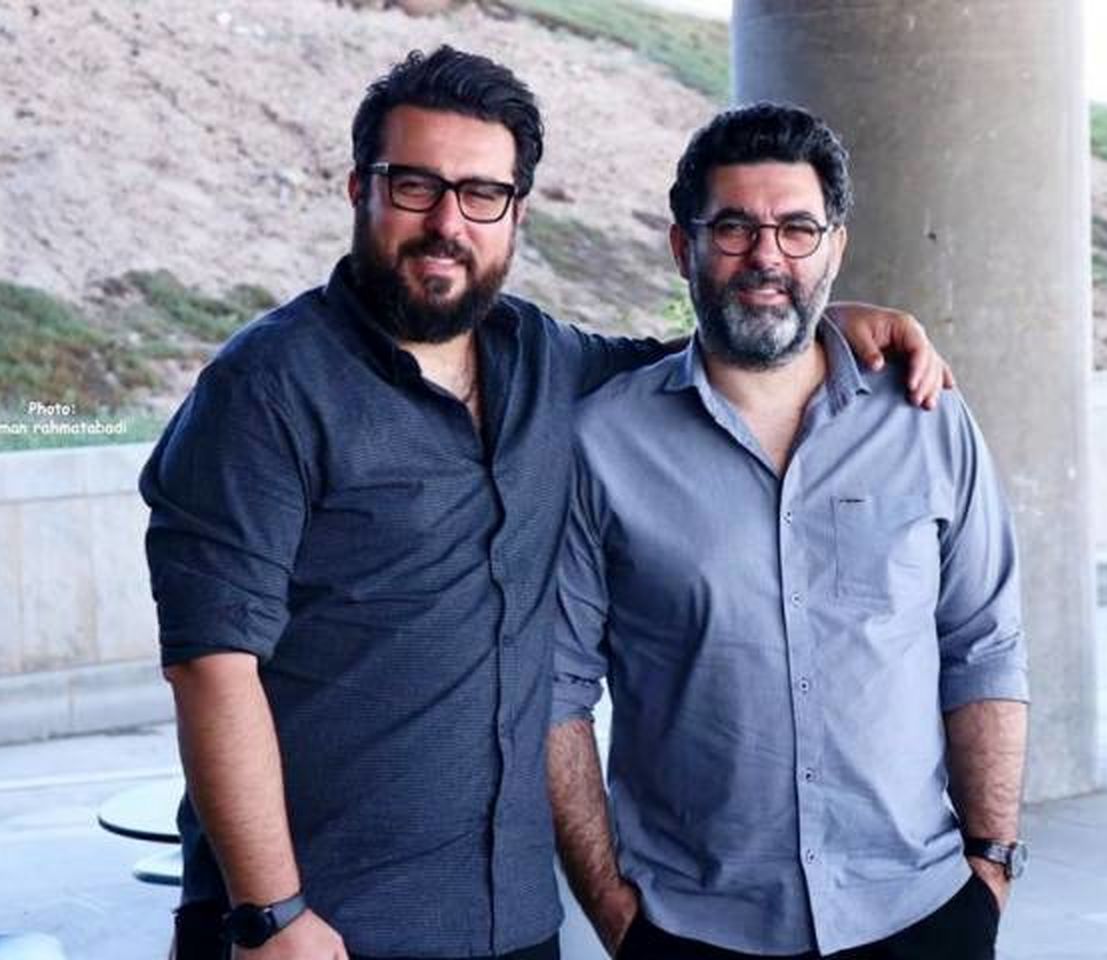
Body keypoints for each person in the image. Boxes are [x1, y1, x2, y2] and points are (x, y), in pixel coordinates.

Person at [141, 48, 949, 960]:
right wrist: (270, 912)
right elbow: (211, 666)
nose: (448, 222)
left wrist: (827, 325)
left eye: (482, 193)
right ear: (360, 189)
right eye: (415, 186)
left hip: (510, 920)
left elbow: (710, 359)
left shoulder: (543, 359)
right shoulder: (266, 388)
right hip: (318, 925)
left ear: (517, 211)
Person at [548, 102, 1028, 960]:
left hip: (920, 912)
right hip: (692, 928)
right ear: (683, 247)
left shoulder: (927, 419)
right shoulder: (602, 444)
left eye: (798, 229)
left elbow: (983, 644)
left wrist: (990, 865)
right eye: (734, 228)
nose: (767, 256)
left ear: (834, 247)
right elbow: (557, 689)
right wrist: (614, 911)